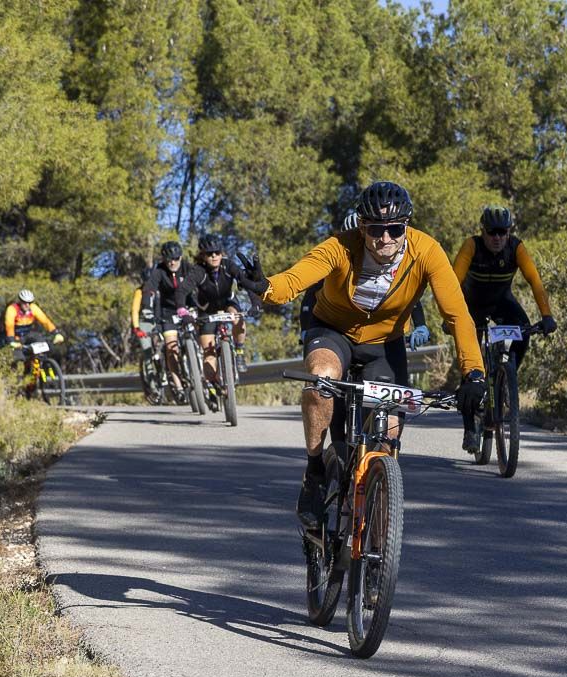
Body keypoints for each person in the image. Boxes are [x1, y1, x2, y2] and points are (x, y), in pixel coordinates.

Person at [230, 181, 486, 530]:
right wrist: (266, 288)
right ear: (362, 227)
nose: (385, 239)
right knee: (321, 379)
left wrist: (474, 373)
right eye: (376, 230)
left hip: (385, 344)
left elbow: (457, 315)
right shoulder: (340, 246)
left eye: (395, 229)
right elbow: (295, 279)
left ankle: (376, 544)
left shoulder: (427, 252)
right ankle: (316, 470)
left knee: (388, 436)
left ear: (406, 226)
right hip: (332, 331)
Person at [451, 206, 557, 452]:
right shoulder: (471, 246)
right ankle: (470, 428)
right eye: (492, 232)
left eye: (502, 232)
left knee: (524, 332)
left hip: (501, 302)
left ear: (509, 232)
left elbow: (535, 280)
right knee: (470, 369)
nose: (497, 238)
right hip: (471, 305)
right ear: (483, 231)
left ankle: (506, 379)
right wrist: (452, 318)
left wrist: (547, 315)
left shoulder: (516, 248)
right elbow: (453, 282)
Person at [299, 211, 430, 350]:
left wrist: (420, 324)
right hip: (340, 332)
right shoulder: (336, 264)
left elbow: (409, 297)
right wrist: (306, 330)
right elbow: (310, 297)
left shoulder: (393, 265)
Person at [174, 233, 250, 411]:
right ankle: (214, 385)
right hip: (207, 311)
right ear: (203, 256)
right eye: (209, 254)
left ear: (221, 253)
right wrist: (182, 311)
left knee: (238, 316)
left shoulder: (228, 265)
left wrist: (255, 301)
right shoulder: (198, 271)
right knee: (208, 353)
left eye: (217, 252)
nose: (214, 256)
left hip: (227, 303)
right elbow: (181, 292)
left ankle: (239, 351)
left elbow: (244, 281)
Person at [142, 241, 192, 398]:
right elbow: (150, 288)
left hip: (189, 308)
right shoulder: (159, 271)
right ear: (163, 259)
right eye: (169, 259)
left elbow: (201, 281)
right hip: (168, 312)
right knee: (171, 348)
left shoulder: (188, 267)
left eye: (176, 258)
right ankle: (178, 385)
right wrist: (147, 304)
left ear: (181, 257)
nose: (173, 262)